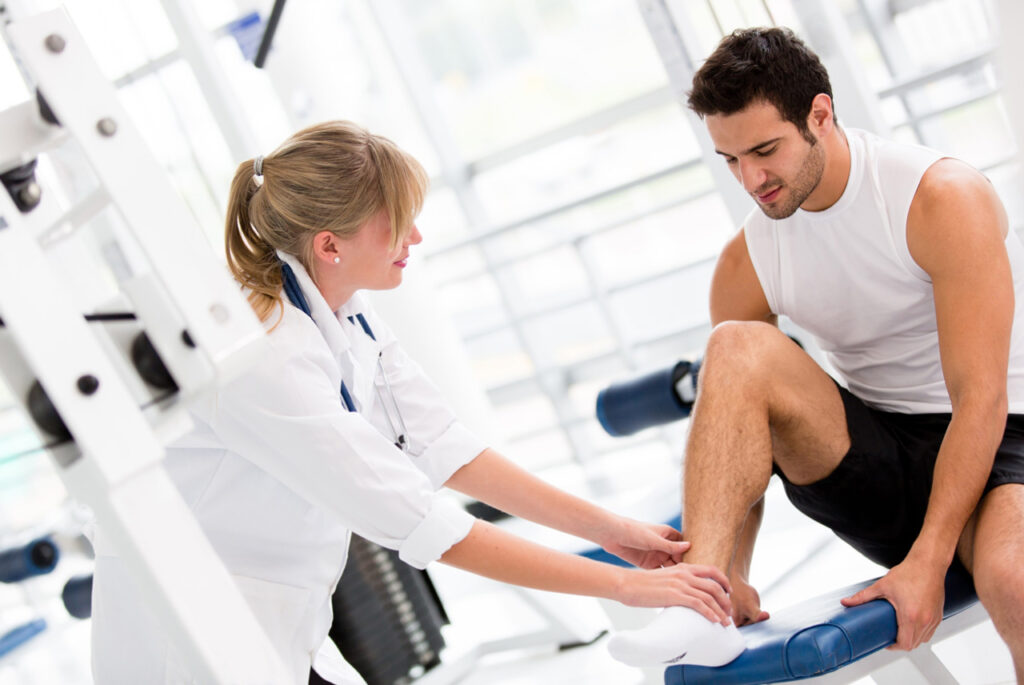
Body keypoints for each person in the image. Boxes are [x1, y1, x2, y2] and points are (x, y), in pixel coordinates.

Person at [88, 120, 734, 685]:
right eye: (397, 220)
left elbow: (447, 447)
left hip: (277, 618)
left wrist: (614, 533)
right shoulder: (266, 354)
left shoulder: (346, 315)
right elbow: (426, 523)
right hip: (188, 632)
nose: (416, 236)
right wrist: (628, 585)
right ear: (330, 244)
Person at [608, 26, 1024, 677]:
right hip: (877, 457)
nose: (752, 179)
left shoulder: (939, 198)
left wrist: (928, 561)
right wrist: (735, 573)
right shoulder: (747, 259)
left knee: (1016, 580)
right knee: (735, 346)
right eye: (731, 160)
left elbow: (984, 397)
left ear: (820, 114)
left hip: (998, 442)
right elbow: (738, 427)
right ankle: (700, 600)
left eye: (765, 150)